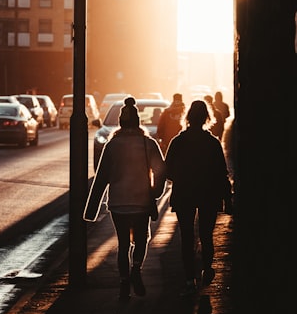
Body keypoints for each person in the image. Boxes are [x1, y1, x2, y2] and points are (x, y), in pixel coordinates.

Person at [84, 97, 166, 300]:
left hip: (118, 203)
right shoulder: (148, 144)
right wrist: (155, 191)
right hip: (141, 202)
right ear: (138, 122)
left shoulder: (112, 145)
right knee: (141, 240)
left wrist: (91, 209)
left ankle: (123, 282)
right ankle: (136, 268)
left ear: (121, 122)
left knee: (122, 244)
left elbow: (101, 177)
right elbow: (161, 170)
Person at [164, 99, 234, 295]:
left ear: (188, 117)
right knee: (206, 235)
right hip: (208, 194)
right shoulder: (212, 143)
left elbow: (167, 170)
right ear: (206, 117)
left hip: (184, 193)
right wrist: (227, 199)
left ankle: (188, 279)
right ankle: (206, 268)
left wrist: (181, 177)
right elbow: (222, 173)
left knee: (186, 236)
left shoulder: (178, 141)